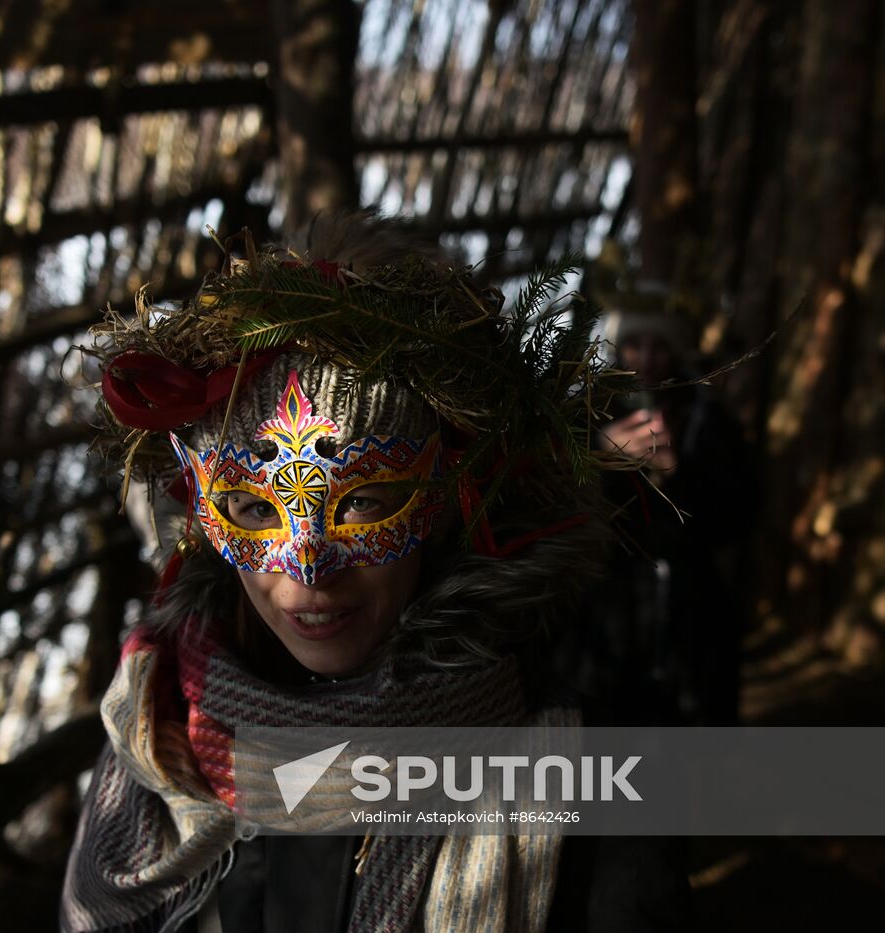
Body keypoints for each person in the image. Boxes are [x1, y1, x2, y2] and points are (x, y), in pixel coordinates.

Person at [61, 212, 689, 932]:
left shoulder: (589, 794)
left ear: (452, 497)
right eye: (255, 508)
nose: (308, 567)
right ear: (204, 514)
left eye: (361, 500)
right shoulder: (155, 739)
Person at [562, 288, 755, 726]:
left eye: (660, 345)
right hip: (604, 612)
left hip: (690, 618)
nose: (646, 359)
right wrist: (600, 453)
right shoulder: (586, 410)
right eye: (635, 344)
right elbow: (551, 494)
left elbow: (739, 513)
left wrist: (676, 473)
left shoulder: (707, 417)